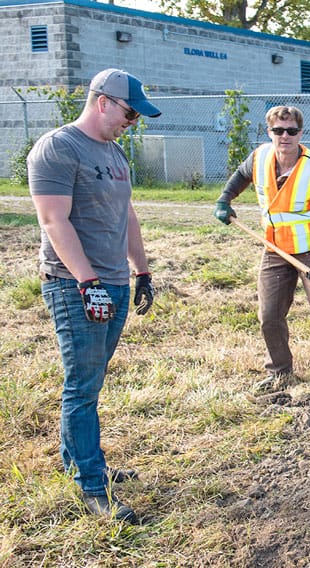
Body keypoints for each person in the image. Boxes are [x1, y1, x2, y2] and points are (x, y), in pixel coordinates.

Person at [28, 68, 162, 522]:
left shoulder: (116, 154)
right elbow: (53, 221)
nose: (132, 122)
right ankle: (91, 486)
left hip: (115, 283)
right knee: (82, 386)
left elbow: (127, 216)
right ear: (103, 101)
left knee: (92, 381)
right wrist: (88, 282)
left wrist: (140, 270)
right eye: (129, 113)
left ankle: (80, 462)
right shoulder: (59, 147)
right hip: (74, 286)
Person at [214, 105, 310, 397]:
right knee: (269, 316)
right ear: (269, 131)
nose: (284, 136)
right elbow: (240, 175)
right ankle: (279, 373)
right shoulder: (259, 158)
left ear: (301, 133)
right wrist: (225, 199)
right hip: (274, 250)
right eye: (278, 130)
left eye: (291, 131)